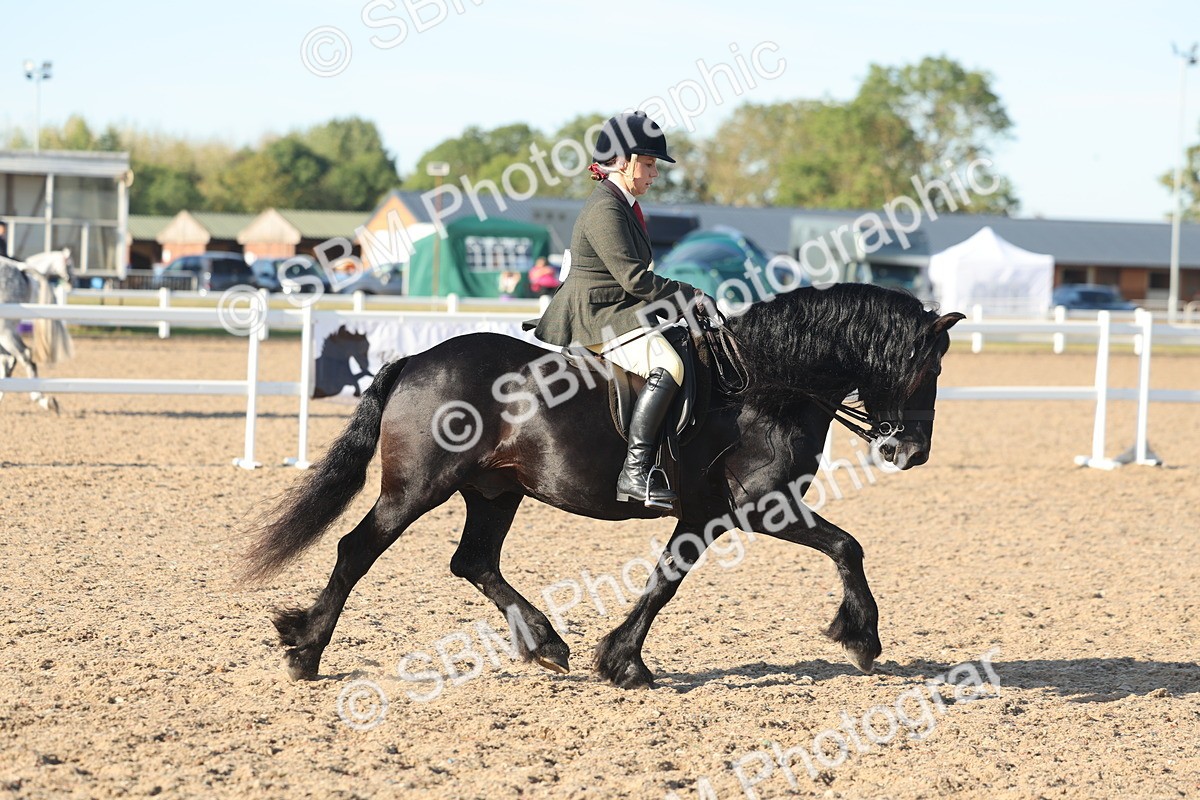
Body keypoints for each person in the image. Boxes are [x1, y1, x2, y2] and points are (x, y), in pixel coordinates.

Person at [533, 111, 703, 510]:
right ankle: (635, 471)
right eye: (648, 164)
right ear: (624, 161)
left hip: (615, 308)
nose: (653, 174)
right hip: (597, 316)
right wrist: (688, 295)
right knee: (670, 366)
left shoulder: (622, 203)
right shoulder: (606, 209)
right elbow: (635, 280)